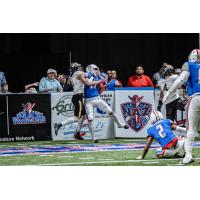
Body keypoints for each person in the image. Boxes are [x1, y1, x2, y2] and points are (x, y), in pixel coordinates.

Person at [163, 49, 200, 164]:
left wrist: (168, 93)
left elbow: (181, 79)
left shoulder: (189, 65)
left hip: (195, 96)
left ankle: (188, 155)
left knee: (191, 129)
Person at [53, 62, 105, 140]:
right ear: (77, 68)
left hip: (78, 97)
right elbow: (88, 83)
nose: (81, 68)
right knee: (77, 118)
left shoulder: (74, 75)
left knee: (83, 116)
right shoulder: (79, 73)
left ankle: (77, 133)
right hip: (79, 97)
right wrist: (98, 77)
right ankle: (59, 125)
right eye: (79, 67)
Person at [84, 64, 129, 143]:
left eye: (97, 69)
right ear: (90, 69)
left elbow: (104, 83)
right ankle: (94, 138)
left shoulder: (97, 76)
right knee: (90, 118)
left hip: (97, 98)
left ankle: (119, 124)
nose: (97, 70)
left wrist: (102, 80)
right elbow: (88, 82)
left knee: (110, 111)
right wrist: (97, 79)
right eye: (95, 69)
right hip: (88, 101)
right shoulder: (87, 75)